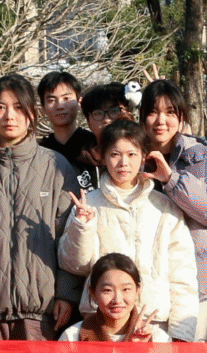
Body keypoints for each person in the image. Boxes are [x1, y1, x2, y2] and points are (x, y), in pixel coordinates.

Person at [0, 73, 83, 340]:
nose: (9, 116)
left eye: (18, 107)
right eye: (0, 108)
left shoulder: (56, 166)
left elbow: (69, 238)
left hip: (40, 313)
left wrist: (66, 294)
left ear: (32, 113)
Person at [59, 117, 199, 339]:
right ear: (103, 156)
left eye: (132, 154)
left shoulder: (164, 206)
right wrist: (82, 226)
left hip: (154, 322)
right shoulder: (89, 203)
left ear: (144, 156)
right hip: (102, 322)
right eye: (115, 154)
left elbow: (183, 274)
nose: (123, 162)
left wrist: (182, 333)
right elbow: (73, 264)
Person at [136, 78, 207, 337]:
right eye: (153, 112)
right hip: (151, 290)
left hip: (206, 289)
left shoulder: (203, 159)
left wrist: (171, 179)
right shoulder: (132, 161)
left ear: (181, 118)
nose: (161, 121)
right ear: (142, 117)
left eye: (170, 112)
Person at [61, 253, 171, 342]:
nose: (117, 300)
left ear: (137, 291)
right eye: (107, 290)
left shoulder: (158, 339)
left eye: (126, 289)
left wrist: (139, 350)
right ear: (93, 293)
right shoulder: (72, 337)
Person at [38, 69, 99, 171]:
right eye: (51, 100)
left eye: (66, 98)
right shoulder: (41, 152)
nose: (60, 106)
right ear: (43, 107)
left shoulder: (95, 145)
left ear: (79, 102)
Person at [80, 82, 134, 151]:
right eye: (98, 113)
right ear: (88, 122)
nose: (106, 120)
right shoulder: (76, 156)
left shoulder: (145, 153)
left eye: (114, 111)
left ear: (129, 114)